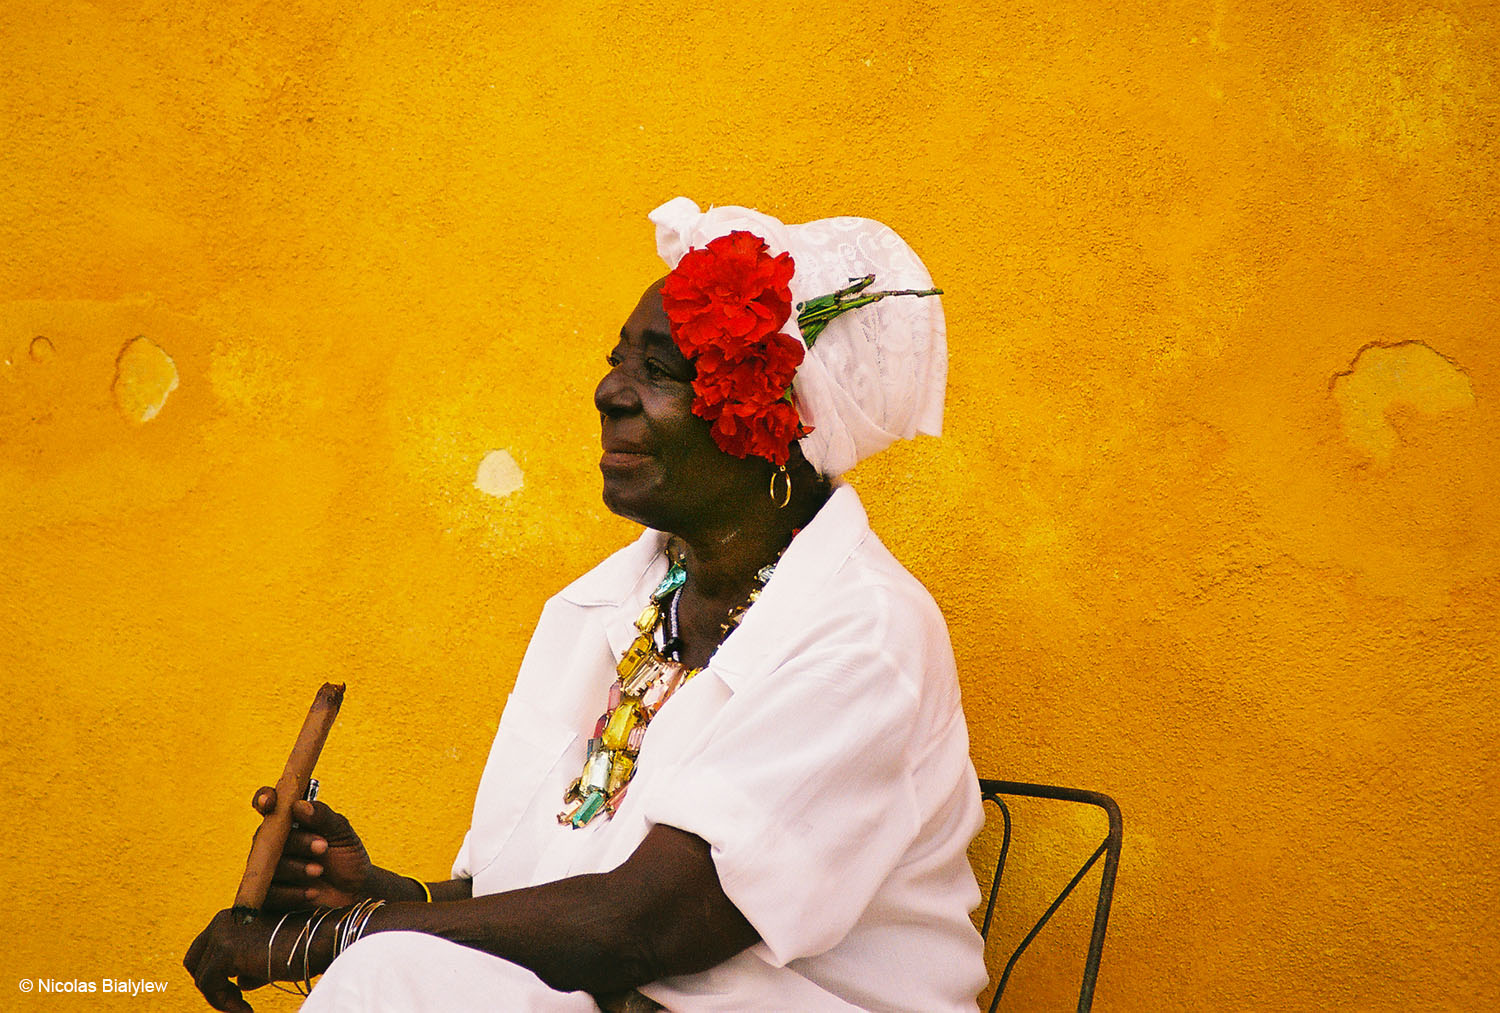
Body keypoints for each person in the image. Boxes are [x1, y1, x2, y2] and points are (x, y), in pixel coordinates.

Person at [185, 197, 989, 1011]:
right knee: (393, 974)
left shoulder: (865, 636)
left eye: (661, 372)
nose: (610, 391)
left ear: (778, 428)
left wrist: (344, 936)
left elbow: (643, 925)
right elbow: (537, 900)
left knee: (383, 977)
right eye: (619, 360)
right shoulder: (607, 603)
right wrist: (374, 896)